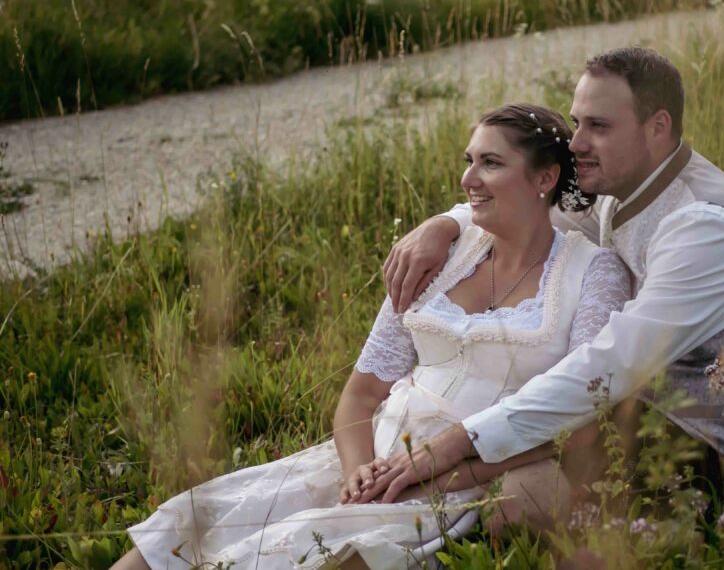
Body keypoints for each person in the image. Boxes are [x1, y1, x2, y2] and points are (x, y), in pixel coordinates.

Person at [113, 104, 632, 570]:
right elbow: (362, 392)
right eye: (469, 159)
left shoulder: (592, 272)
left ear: (545, 176)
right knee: (180, 534)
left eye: (491, 163)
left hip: (465, 480)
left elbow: (581, 423)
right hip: (371, 466)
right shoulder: (441, 257)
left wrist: (431, 481)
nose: (468, 177)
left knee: (314, 557)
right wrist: (356, 475)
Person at [362, 46, 724, 507]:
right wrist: (445, 224)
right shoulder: (622, 186)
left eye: (599, 127)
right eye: (577, 122)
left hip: (695, 444)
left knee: (518, 498)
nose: (575, 144)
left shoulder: (707, 229)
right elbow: (535, 214)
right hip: (617, 411)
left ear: (657, 127)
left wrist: (459, 440)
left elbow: (610, 366)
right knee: (490, 472)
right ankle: (423, 489)